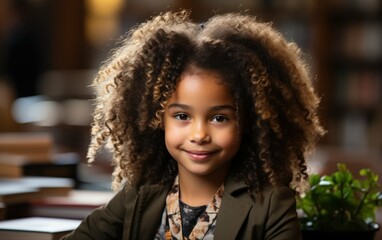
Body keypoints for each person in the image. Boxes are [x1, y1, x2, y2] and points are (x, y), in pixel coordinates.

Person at [61, 10, 324, 240]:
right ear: (158, 119)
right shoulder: (139, 194)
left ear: (248, 123)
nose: (199, 134)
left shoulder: (270, 205)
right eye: (182, 116)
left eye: (219, 118)